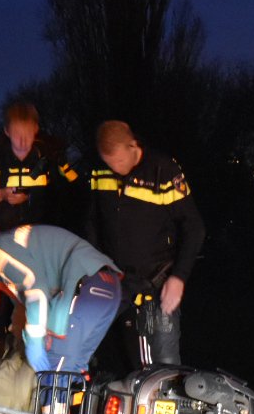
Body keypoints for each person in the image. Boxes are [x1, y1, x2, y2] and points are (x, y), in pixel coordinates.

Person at [0, 221, 121, 414]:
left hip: (86, 285)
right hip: (107, 287)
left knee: (55, 370)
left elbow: (36, 292)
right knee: (72, 370)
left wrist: (34, 341)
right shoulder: (16, 246)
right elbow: (29, 300)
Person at [85, 120, 206, 369]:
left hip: (156, 279)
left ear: (133, 145)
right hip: (114, 278)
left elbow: (194, 227)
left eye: (119, 161)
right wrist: (90, 266)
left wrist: (178, 278)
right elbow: (92, 221)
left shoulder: (163, 170)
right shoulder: (99, 172)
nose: (116, 169)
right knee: (83, 337)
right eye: (110, 163)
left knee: (163, 363)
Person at [0, 101, 79, 231]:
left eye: (27, 132)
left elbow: (69, 202)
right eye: (17, 133)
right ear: (7, 131)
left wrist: (30, 197)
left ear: (36, 129)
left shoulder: (51, 161)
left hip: (41, 240)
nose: (23, 140)